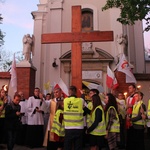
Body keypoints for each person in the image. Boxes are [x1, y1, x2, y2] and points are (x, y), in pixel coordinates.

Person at [63, 85, 84, 150]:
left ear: (69, 92)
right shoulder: (80, 101)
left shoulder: (65, 100)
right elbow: (83, 99)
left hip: (68, 127)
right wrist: (82, 94)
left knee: (68, 146)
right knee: (78, 147)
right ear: (76, 92)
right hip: (79, 128)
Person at [125, 84, 136, 149]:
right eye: (128, 88)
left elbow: (136, 104)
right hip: (128, 115)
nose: (129, 89)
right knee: (128, 132)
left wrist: (131, 106)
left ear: (134, 89)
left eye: (130, 88)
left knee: (132, 133)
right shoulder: (128, 97)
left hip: (133, 115)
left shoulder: (136, 96)